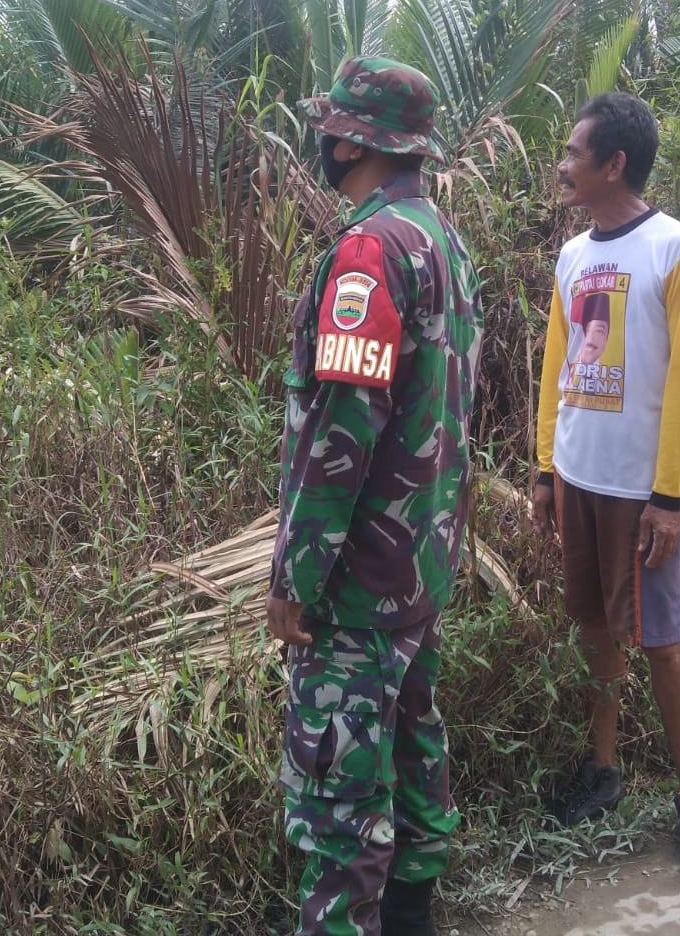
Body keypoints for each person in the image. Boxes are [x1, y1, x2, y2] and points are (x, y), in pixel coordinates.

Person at [267, 56, 485, 936]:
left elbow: (341, 435)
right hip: (421, 568)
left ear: (353, 139)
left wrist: (296, 578)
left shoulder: (367, 252)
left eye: (331, 128)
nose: (322, 140)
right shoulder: (440, 237)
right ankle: (414, 921)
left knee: (340, 801)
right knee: (412, 746)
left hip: (357, 584)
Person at [530, 92, 680, 890]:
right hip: (580, 476)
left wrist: (670, 495)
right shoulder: (572, 255)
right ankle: (604, 771)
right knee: (595, 630)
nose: (564, 165)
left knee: (664, 641)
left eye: (575, 153)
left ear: (614, 163)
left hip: (643, 492)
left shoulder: (679, 252)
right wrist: (546, 468)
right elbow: (557, 364)